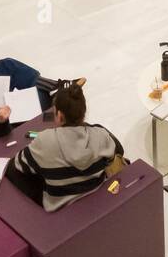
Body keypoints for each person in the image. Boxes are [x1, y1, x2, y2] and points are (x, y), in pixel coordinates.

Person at [8, 82, 124, 212]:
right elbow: (118, 151)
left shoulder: (44, 140)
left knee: (15, 170)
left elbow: (17, 166)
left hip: (59, 204)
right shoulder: (101, 135)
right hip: (94, 191)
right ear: (83, 113)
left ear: (59, 115)